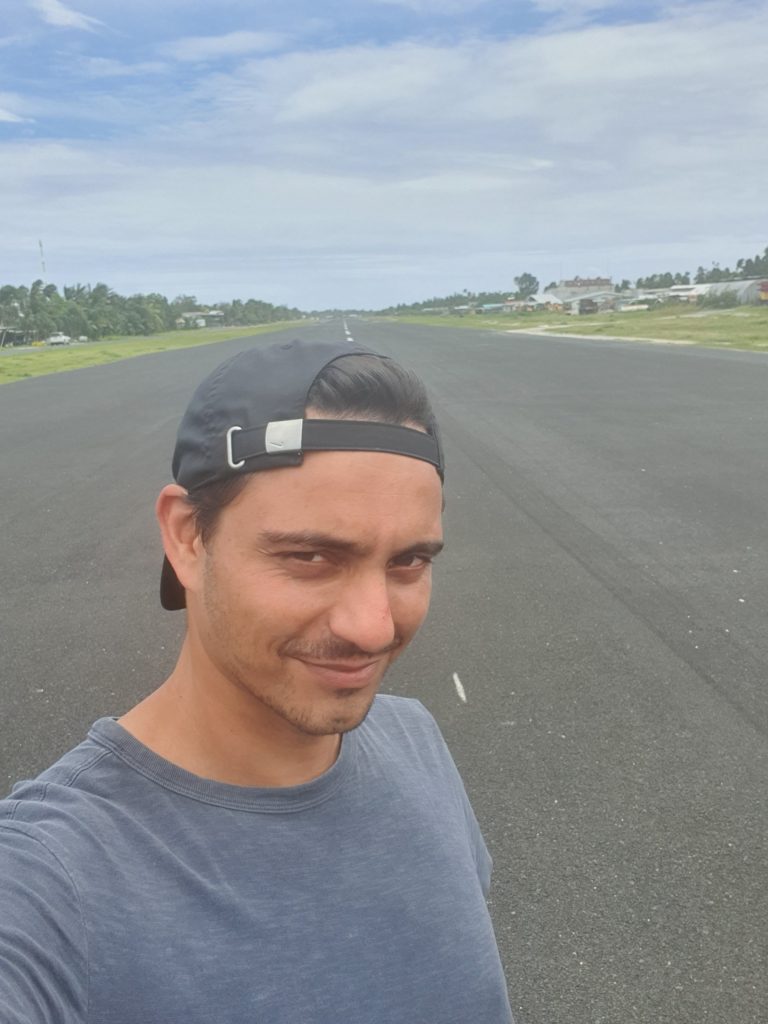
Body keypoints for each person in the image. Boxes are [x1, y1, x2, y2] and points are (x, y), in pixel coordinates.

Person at [0, 338, 513, 1023]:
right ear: (187, 536)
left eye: (409, 562)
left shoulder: (414, 737)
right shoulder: (48, 882)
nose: (373, 626)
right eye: (309, 556)